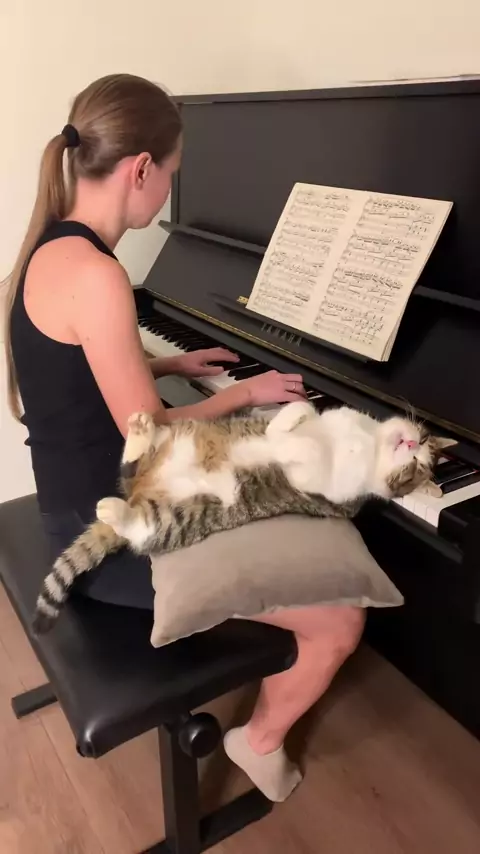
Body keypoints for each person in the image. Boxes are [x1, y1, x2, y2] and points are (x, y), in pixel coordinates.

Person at [4, 73, 364, 801]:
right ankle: (258, 745)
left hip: (79, 505)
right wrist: (244, 393)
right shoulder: (97, 275)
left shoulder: (51, 246)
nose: (169, 190)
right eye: (172, 173)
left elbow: (81, 372)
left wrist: (167, 363)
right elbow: (153, 434)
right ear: (141, 168)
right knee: (341, 618)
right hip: (111, 542)